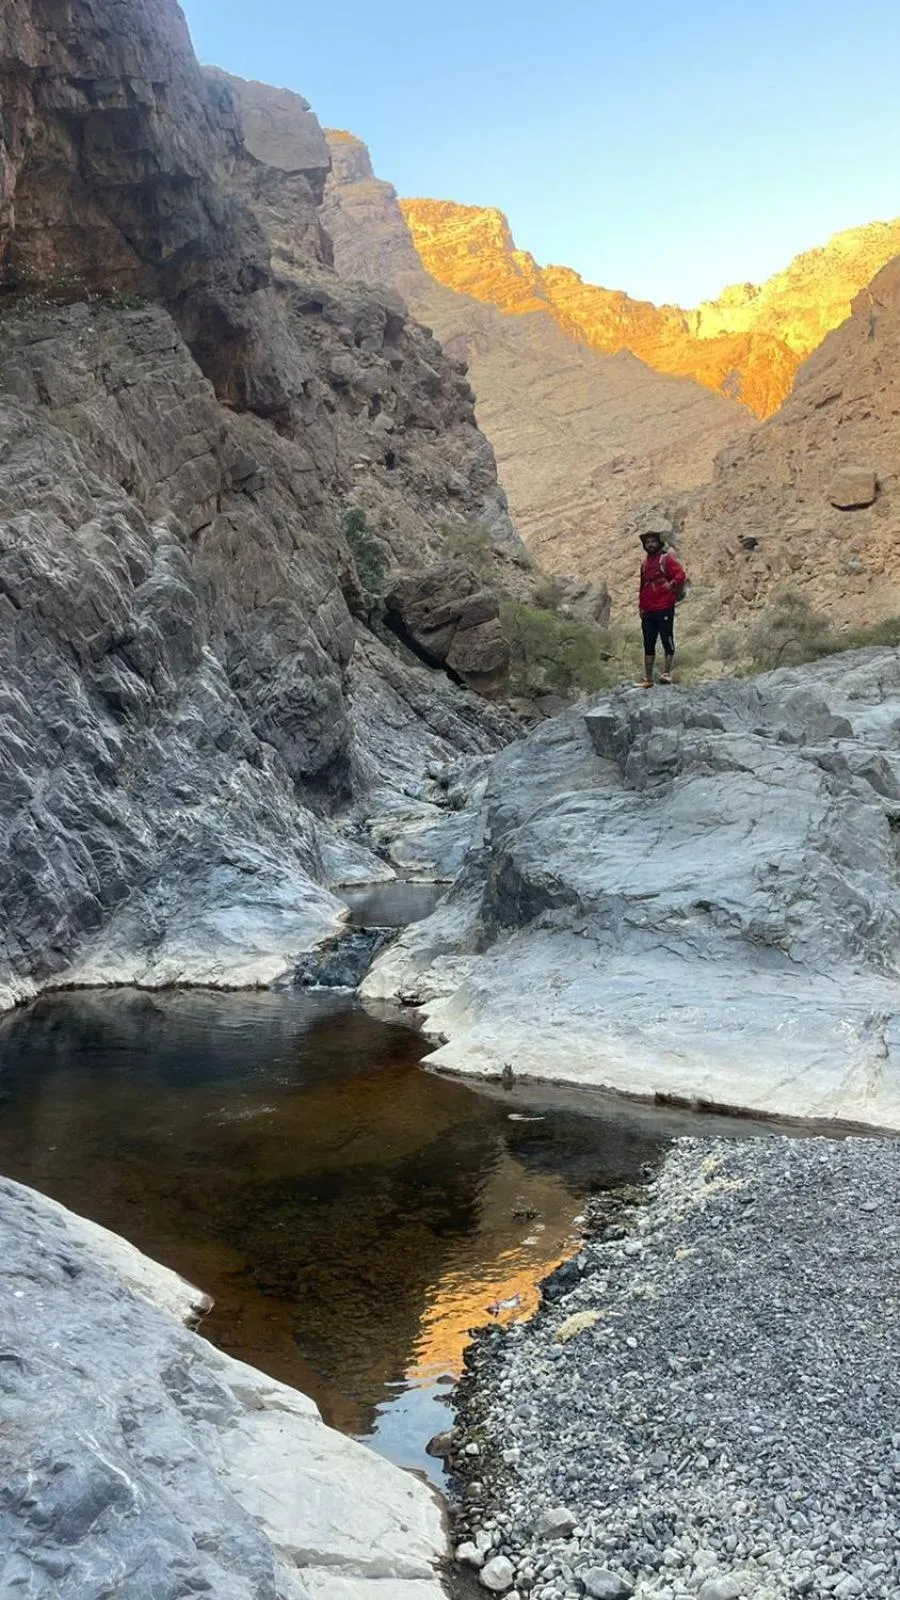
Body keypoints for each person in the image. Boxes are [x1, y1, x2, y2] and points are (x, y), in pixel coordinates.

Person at [636, 529, 687, 687]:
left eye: (653, 542)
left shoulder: (666, 559)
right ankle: (648, 679)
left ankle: (666, 673)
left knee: (667, 638)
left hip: (664, 605)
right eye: (648, 542)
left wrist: (670, 584)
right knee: (648, 642)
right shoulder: (644, 564)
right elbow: (642, 586)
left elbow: (680, 574)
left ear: (659, 543)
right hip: (648, 609)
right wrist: (641, 607)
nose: (650, 545)